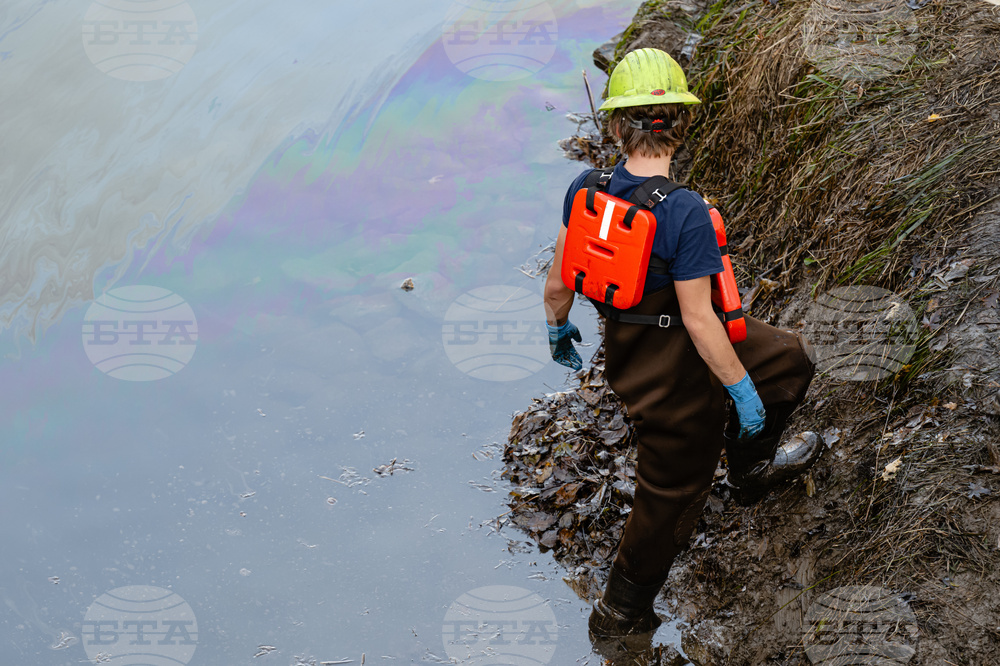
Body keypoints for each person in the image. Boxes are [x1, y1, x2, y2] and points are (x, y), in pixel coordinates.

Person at [543, 48, 823, 638]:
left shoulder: (583, 189)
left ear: (617, 126)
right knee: (670, 494)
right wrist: (740, 390)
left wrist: (557, 325)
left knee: (786, 361)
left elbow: (558, 278)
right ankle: (619, 616)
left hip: (629, 348)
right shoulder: (686, 213)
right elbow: (700, 321)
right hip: (671, 377)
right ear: (682, 124)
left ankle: (749, 472)